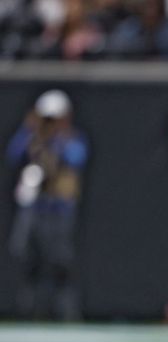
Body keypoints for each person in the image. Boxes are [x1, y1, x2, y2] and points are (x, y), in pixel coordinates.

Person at [5, 89, 88, 321]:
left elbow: (75, 158)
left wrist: (56, 140)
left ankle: (67, 314)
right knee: (31, 261)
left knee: (61, 262)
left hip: (60, 209)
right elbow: (14, 154)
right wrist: (31, 130)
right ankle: (30, 312)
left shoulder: (72, 139)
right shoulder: (31, 139)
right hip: (36, 208)